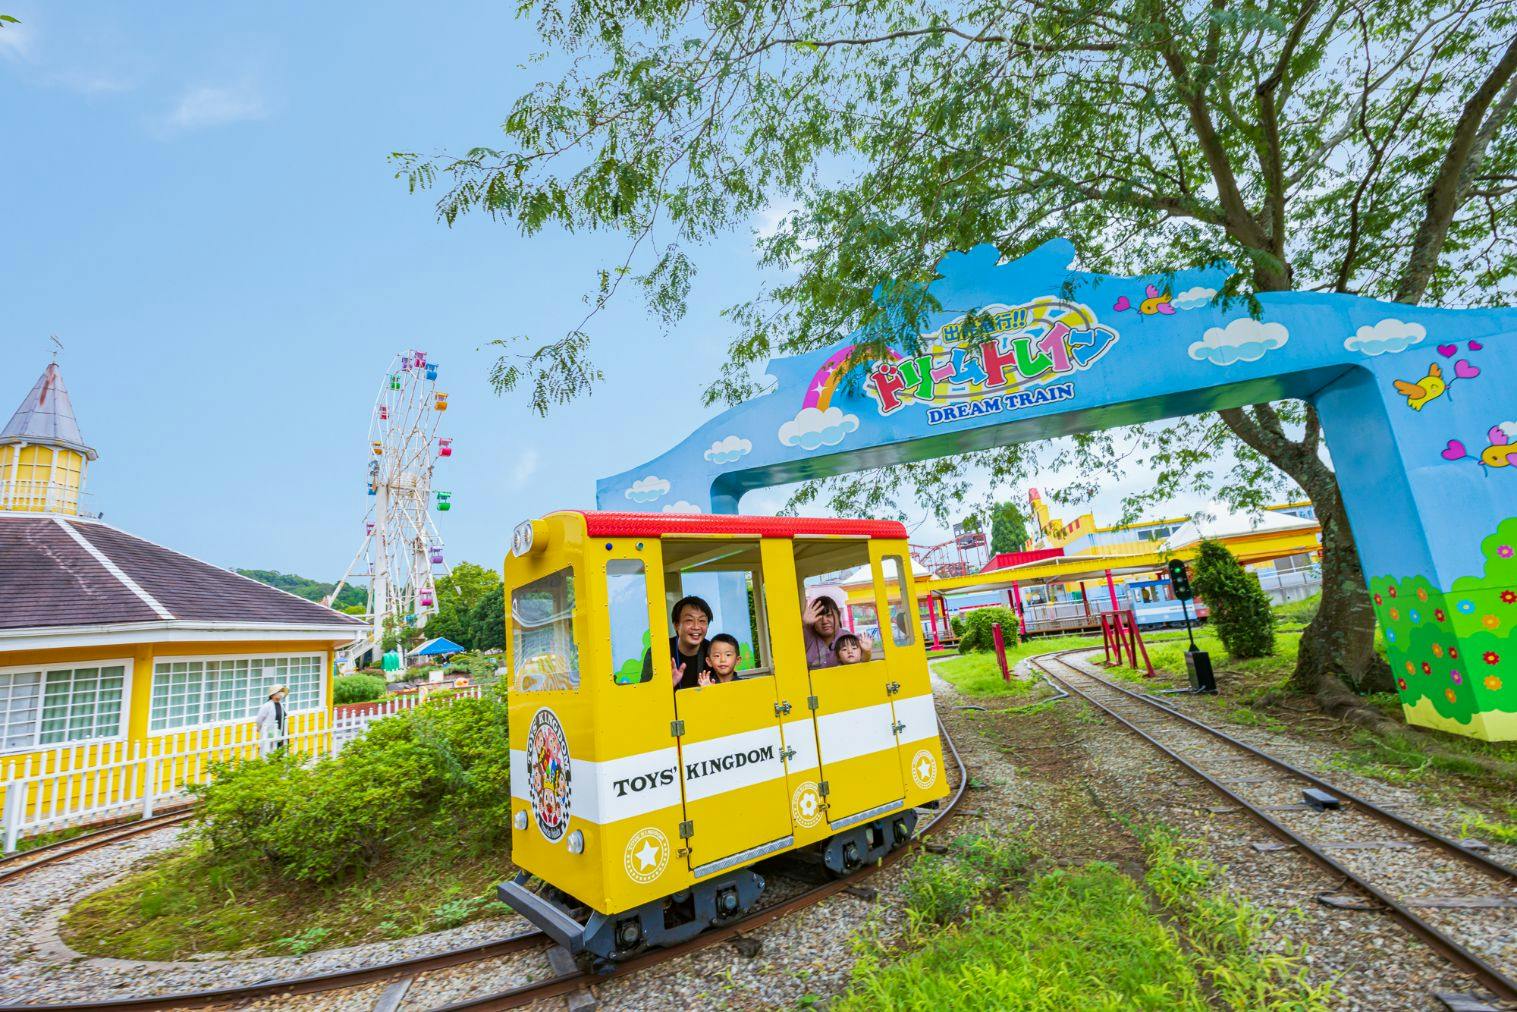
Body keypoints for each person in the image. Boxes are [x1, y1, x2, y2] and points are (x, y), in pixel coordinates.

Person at [640, 595, 713, 690]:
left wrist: (712, 691)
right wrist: (666, 686)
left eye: (702, 621)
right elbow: (644, 692)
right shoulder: (657, 652)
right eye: (689, 620)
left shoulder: (714, 651)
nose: (696, 627)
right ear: (676, 625)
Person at [802, 593, 871, 668]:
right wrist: (804, 623)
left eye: (829, 615)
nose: (825, 621)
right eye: (819, 617)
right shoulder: (805, 635)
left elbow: (862, 661)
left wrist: (867, 652)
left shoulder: (849, 638)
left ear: (838, 615)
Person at [255, 684, 288, 757]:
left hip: (280, 731)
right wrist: (259, 727)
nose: (280, 695)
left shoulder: (280, 705)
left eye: (281, 693)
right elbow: (259, 719)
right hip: (269, 732)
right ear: (272, 694)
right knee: (268, 752)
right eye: (278, 692)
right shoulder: (267, 705)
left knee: (279, 751)